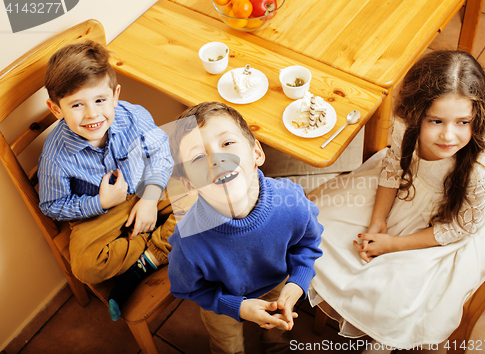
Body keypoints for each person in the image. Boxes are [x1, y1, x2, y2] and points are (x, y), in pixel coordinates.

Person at [307, 50, 485, 352]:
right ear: (415, 113)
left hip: (448, 224)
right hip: (403, 190)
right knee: (317, 230)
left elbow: (459, 229)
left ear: (478, 116)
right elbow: (393, 168)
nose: (449, 135)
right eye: (436, 120)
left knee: (395, 297)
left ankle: (383, 340)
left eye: (463, 122)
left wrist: (391, 245)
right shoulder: (405, 124)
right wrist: (377, 222)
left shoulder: (479, 169)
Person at [166, 102, 323, 353]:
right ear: (189, 185)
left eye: (227, 144)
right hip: (224, 301)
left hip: (277, 285)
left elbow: (308, 244)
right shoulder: (188, 241)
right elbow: (186, 287)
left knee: (279, 330)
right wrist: (235, 306)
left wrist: (297, 282)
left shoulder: (292, 201)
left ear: (256, 153)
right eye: (198, 157)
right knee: (227, 347)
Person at [38, 40, 176, 321]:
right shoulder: (56, 157)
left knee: (207, 196)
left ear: (115, 96)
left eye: (100, 100)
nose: (92, 114)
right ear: (56, 109)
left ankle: (143, 262)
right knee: (85, 266)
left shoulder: (133, 117)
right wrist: (99, 203)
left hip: (144, 189)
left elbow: (161, 151)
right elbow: (52, 205)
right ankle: (153, 244)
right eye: (77, 104)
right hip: (100, 214)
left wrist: (150, 198)